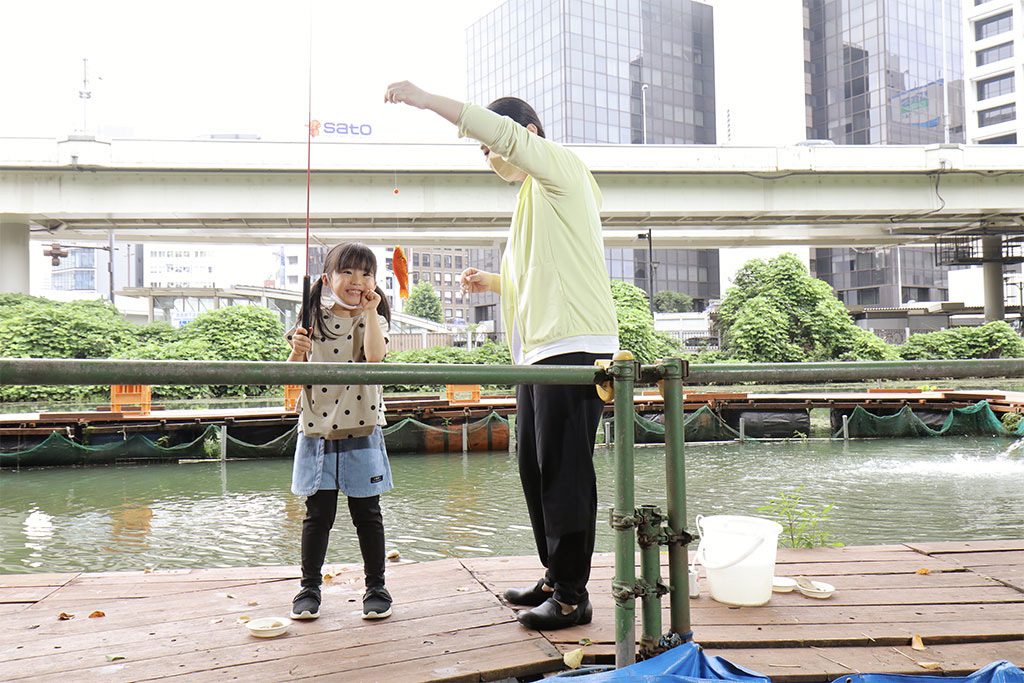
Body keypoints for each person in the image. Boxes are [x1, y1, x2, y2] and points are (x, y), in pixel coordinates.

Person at [385, 82, 619, 630]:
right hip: (537, 355)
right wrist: (492, 279)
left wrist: (426, 100)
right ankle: (554, 573)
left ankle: (571, 596)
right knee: (534, 470)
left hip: (575, 347)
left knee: (564, 472)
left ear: (526, 136)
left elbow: (499, 133)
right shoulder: (532, 200)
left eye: (489, 146)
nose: (487, 157)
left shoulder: (561, 168)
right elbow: (534, 275)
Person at [286, 242, 395, 622]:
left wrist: (368, 311)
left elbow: (376, 358)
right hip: (317, 429)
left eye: (366, 273)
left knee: (368, 512)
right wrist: (298, 350)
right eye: (347, 272)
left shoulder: (374, 317)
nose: (356, 280)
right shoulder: (311, 319)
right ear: (328, 278)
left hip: (362, 426)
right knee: (318, 514)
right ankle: (309, 587)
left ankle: (376, 586)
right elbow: (291, 373)